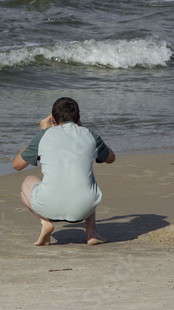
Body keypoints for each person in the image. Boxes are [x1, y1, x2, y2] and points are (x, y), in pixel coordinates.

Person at [12, 97, 116, 246]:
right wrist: (84, 130)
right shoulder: (90, 135)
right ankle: (92, 233)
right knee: (85, 173)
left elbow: (17, 165)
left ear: (53, 119)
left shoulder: (45, 135)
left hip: (47, 206)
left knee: (27, 181)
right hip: (84, 208)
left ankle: (45, 222)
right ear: (79, 118)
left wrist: (42, 134)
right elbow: (111, 158)